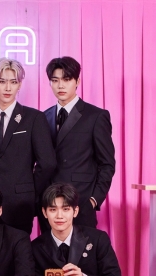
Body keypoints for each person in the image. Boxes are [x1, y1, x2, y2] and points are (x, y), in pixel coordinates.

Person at [0, 58, 56, 235]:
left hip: (20, 204)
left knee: (19, 249)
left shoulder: (34, 118)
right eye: (2, 81)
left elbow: (47, 163)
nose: (8, 88)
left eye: (13, 82)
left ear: (20, 85)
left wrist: (29, 191)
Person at [42, 56, 115, 230]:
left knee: (82, 247)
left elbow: (106, 164)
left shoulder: (96, 116)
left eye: (66, 79)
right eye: (55, 80)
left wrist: (94, 200)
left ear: (77, 81)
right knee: (48, 248)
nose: (60, 85)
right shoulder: (44, 117)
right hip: (50, 204)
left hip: (80, 202)